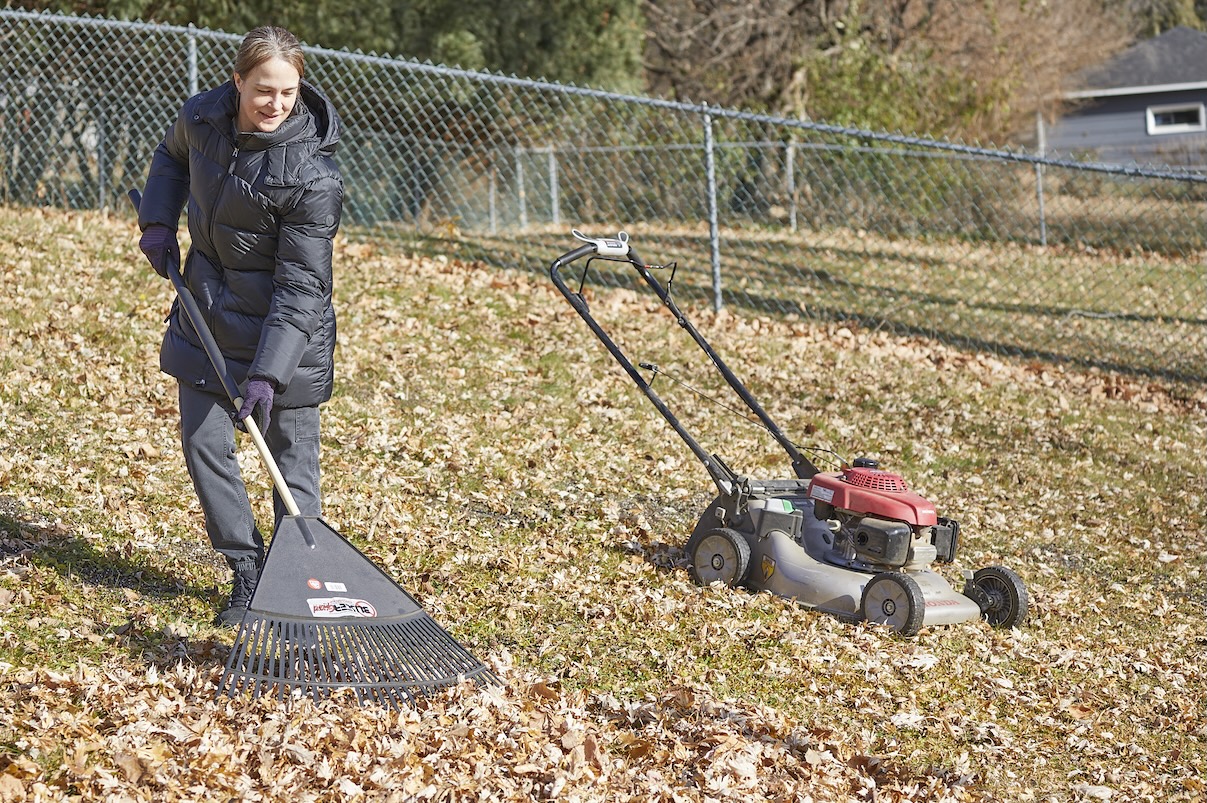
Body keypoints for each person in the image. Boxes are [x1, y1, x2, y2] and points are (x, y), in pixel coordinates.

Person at [136, 26, 343, 627]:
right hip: (204, 313)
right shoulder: (201, 118)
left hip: (286, 340)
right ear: (237, 83)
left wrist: (269, 378)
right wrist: (157, 222)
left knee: (289, 463)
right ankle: (245, 567)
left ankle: (294, 577)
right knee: (204, 444)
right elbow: (171, 158)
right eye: (263, 91)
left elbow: (302, 286)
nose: (276, 104)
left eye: (288, 92)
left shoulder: (312, 177)